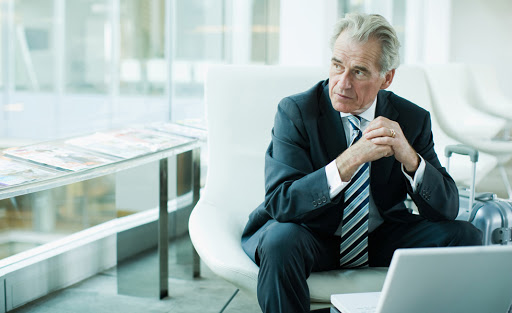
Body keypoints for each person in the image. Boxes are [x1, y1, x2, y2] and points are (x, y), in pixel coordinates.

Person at [240, 12, 482, 313]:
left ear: (387, 77)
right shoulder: (297, 112)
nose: (342, 83)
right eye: (337, 65)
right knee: (279, 240)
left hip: (380, 237)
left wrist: (408, 156)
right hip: (312, 235)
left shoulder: (410, 119)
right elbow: (281, 202)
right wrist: (352, 158)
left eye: (359, 72)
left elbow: (447, 208)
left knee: (466, 236)